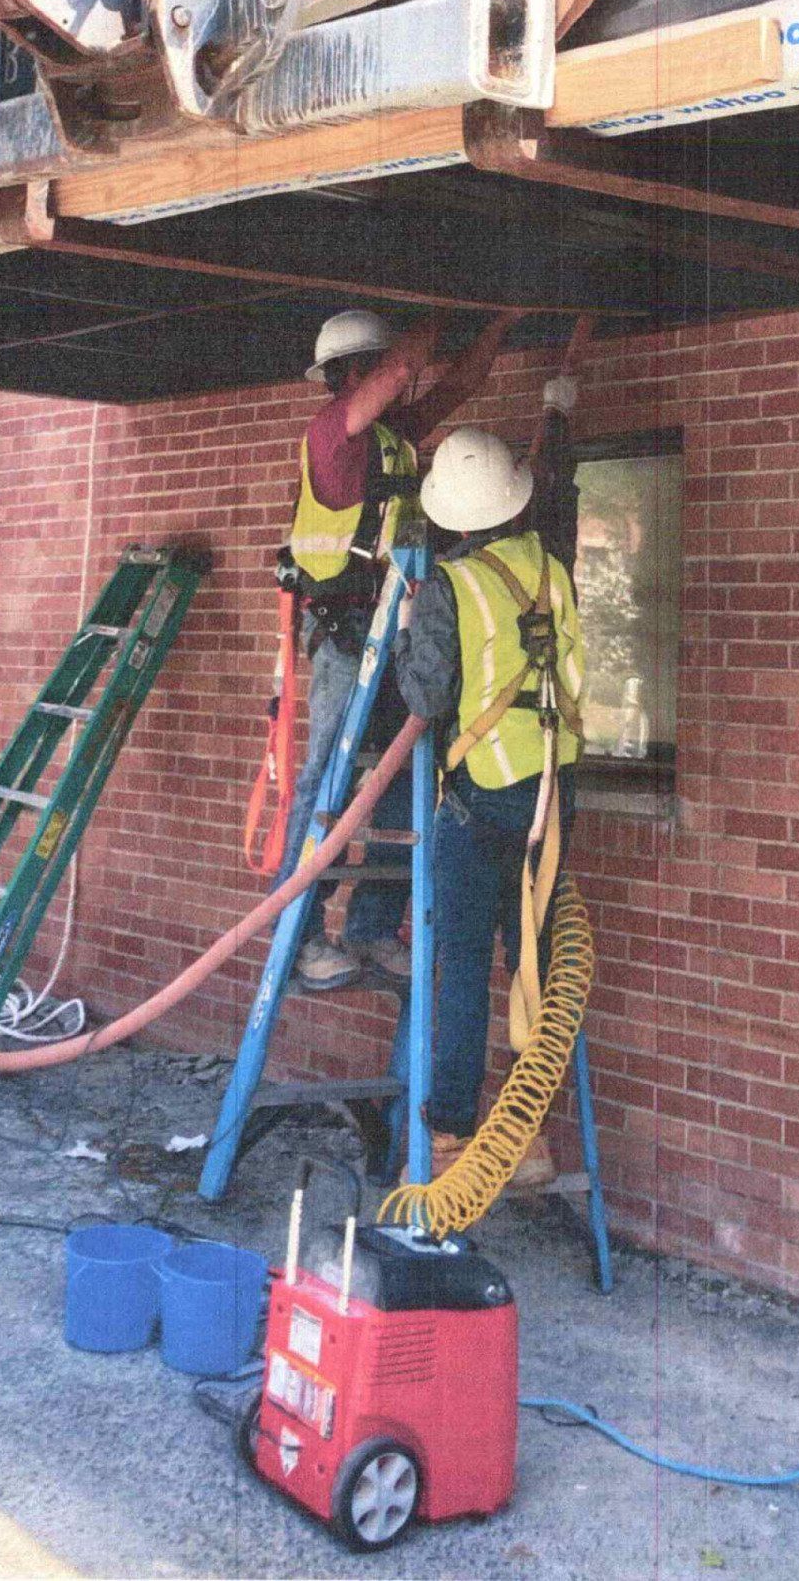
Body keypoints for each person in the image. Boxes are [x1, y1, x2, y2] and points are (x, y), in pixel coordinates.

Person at [281, 304, 521, 989]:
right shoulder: (333, 435)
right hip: (343, 640)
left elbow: (457, 388)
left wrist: (499, 324)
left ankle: (372, 927)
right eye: (380, 369)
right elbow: (400, 369)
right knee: (326, 781)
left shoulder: (390, 438)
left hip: (389, 634)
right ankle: (297, 936)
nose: (404, 385)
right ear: (350, 373)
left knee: (401, 778)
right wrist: (438, 311)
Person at [393, 406, 584, 1190]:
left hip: (480, 799)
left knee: (463, 965)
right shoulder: (552, 565)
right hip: (553, 791)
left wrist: (409, 625)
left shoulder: (449, 586)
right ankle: (530, 1139)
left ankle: (450, 1140)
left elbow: (426, 695)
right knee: (533, 963)